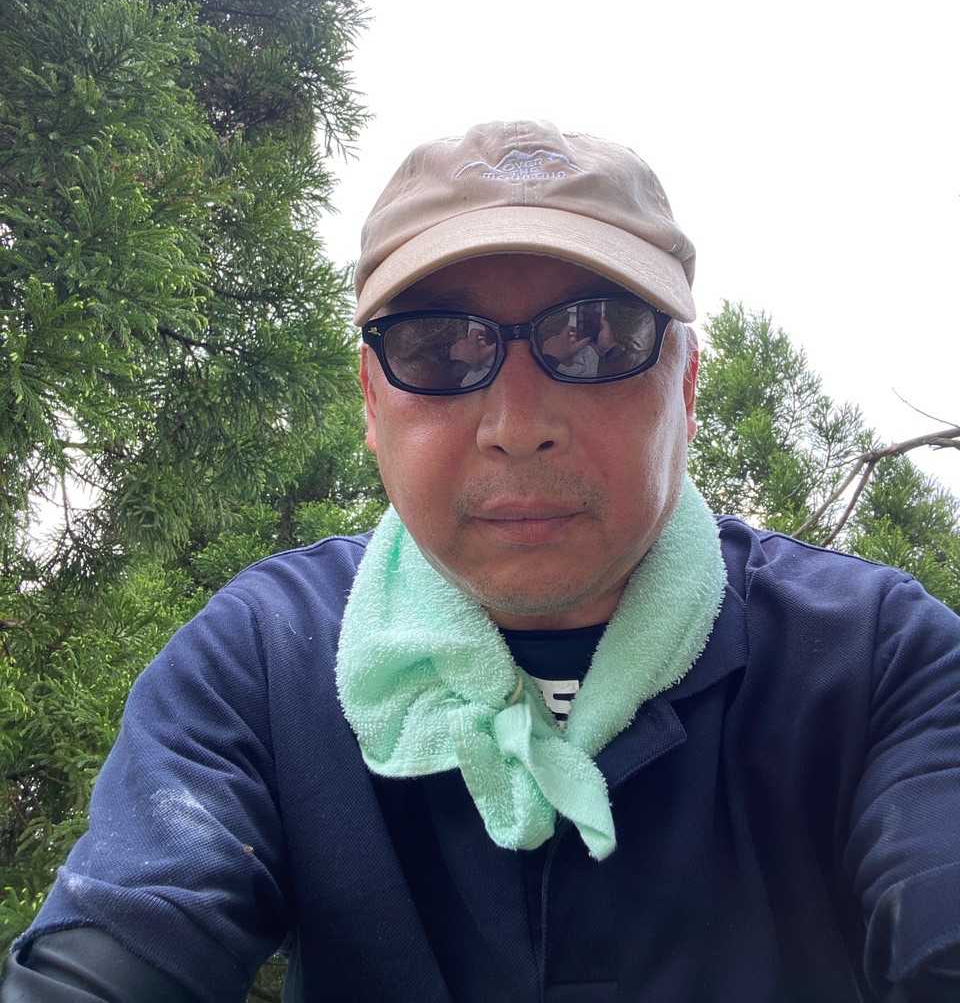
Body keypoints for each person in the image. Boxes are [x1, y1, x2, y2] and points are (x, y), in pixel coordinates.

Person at [3, 119, 959, 1003]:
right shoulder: (264, 660)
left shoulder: (879, 660)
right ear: (372, 400)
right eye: (438, 348)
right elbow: (123, 940)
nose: (517, 425)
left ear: (687, 385)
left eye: (596, 336)